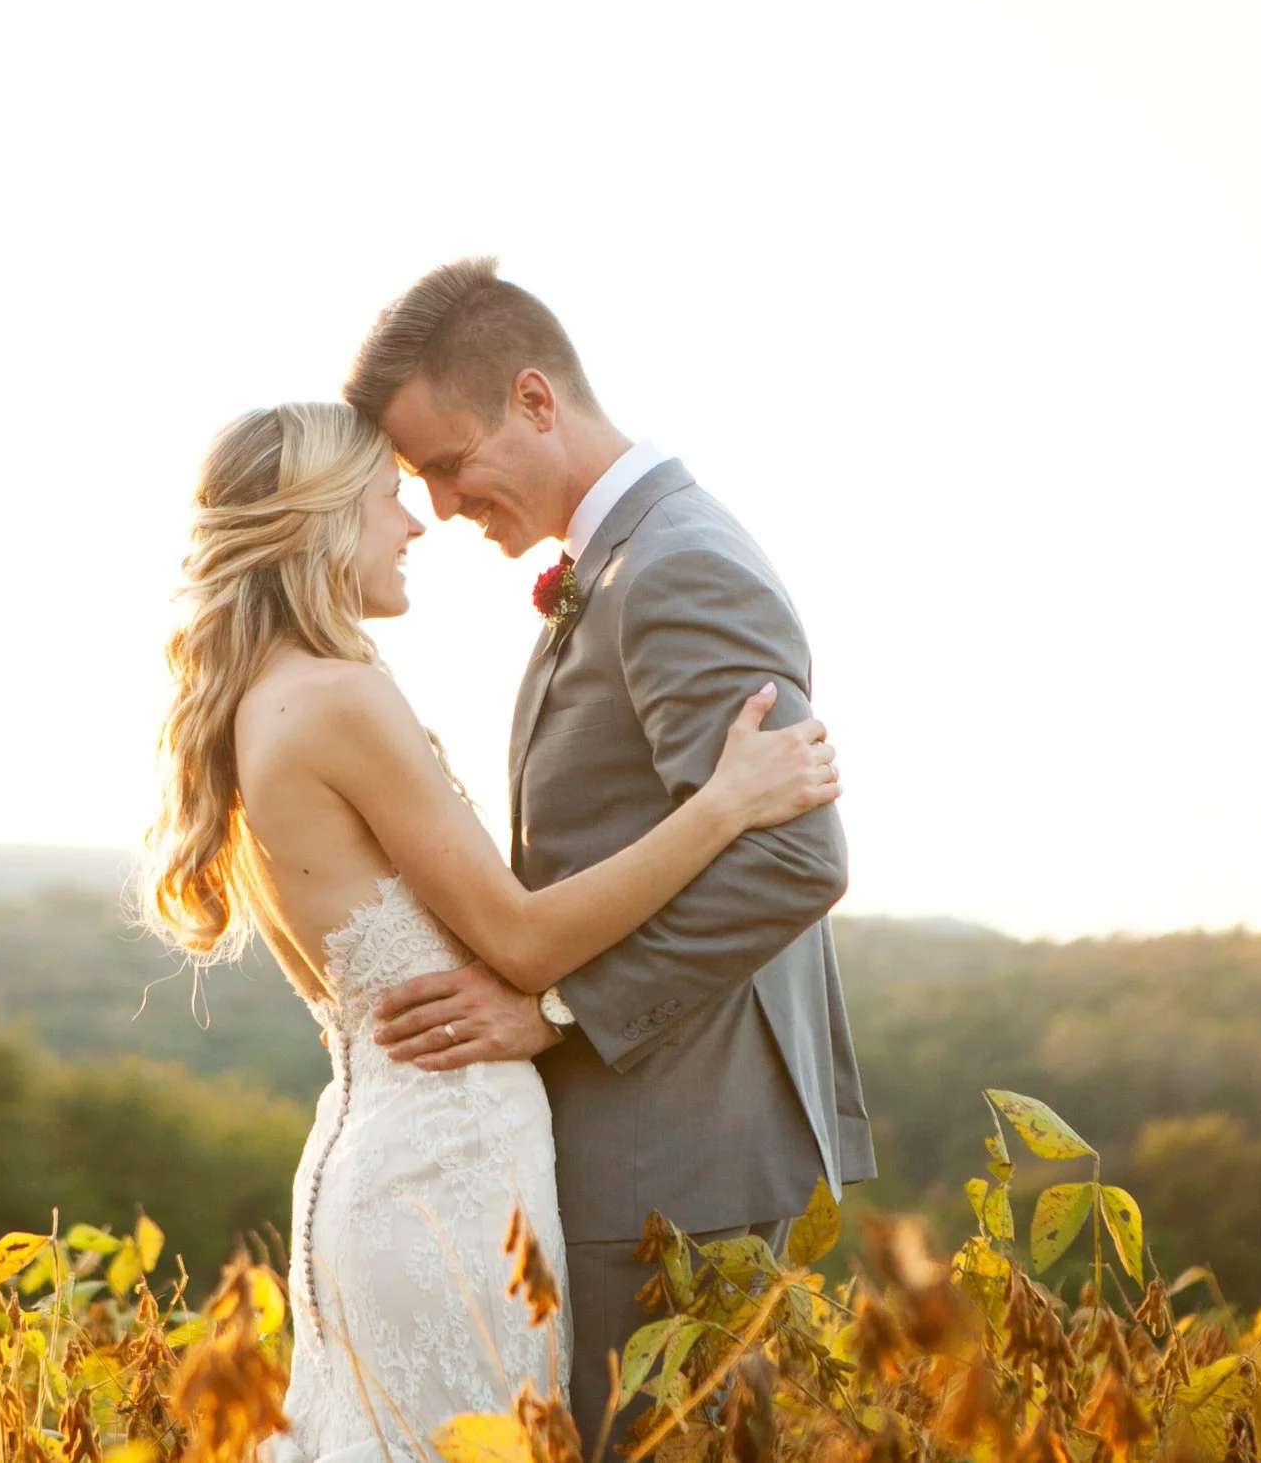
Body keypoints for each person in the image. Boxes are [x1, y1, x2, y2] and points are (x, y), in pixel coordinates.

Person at [141, 401, 841, 1463]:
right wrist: (723, 802)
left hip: (377, 1160)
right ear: (323, 521)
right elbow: (518, 940)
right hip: (450, 1177)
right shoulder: (338, 696)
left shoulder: (260, 699)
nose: (415, 523)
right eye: (387, 499)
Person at [344, 258, 873, 1443]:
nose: (434, 502)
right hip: (646, 1140)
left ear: (534, 400)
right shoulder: (628, 559)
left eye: (445, 461)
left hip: (675, 1149)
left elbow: (794, 860)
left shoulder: (678, 563)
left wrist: (563, 1005)